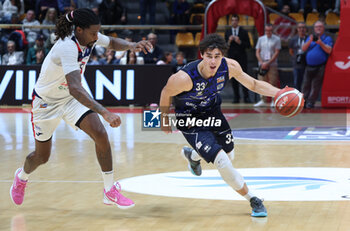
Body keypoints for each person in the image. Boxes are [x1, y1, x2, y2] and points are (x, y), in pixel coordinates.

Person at [10, 8, 152, 208]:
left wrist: (132, 45)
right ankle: (22, 177)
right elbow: (76, 88)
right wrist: (105, 112)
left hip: (69, 99)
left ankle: (109, 191)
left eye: (97, 32)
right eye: (93, 33)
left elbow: (111, 42)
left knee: (100, 133)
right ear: (78, 30)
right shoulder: (67, 46)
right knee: (41, 157)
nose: (96, 37)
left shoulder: (90, 36)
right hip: (46, 103)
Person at [159, 34, 283, 217]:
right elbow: (165, 91)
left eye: (217, 56)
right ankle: (253, 199)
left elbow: (254, 84)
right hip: (190, 118)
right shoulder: (184, 78)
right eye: (209, 56)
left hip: (212, 112)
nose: (213, 61)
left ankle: (192, 155)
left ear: (222, 56)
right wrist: (163, 117)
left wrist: (281, 93)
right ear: (202, 55)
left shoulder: (230, 67)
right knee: (222, 160)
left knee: (229, 155)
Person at [301, 20, 333, 108]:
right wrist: (310, 40)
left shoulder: (327, 38)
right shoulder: (309, 38)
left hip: (320, 66)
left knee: (316, 86)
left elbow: (329, 50)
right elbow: (303, 48)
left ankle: (311, 102)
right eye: (316, 27)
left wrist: (320, 43)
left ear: (323, 28)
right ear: (314, 29)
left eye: (320, 26)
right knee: (306, 85)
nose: (318, 28)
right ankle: (303, 101)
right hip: (309, 66)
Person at [225, 14, 251, 103]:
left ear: (238, 21)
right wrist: (229, 41)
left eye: (235, 20)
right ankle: (236, 97)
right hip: (232, 58)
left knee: (244, 77)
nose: (234, 22)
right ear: (231, 21)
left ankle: (246, 97)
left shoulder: (243, 32)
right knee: (233, 78)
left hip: (242, 58)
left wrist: (240, 42)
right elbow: (224, 47)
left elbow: (249, 46)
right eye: (232, 20)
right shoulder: (227, 32)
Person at [254, 24, 281, 107]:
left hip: (272, 64)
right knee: (262, 82)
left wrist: (268, 62)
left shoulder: (277, 39)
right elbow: (257, 51)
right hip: (262, 64)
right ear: (265, 30)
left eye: (270, 30)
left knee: (273, 82)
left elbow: (277, 52)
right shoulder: (261, 39)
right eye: (267, 30)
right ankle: (263, 100)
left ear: (272, 31)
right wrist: (262, 62)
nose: (268, 32)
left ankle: (274, 100)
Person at [288, 22, 307, 91]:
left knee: (305, 83)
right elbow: (291, 51)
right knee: (296, 83)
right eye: (300, 28)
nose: (302, 29)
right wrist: (296, 57)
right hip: (296, 64)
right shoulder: (293, 39)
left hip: (306, 64)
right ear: (297, 29)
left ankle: (305, 99)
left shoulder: (308, 38)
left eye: (303, 27)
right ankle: (298, 99)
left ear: (306, 29)